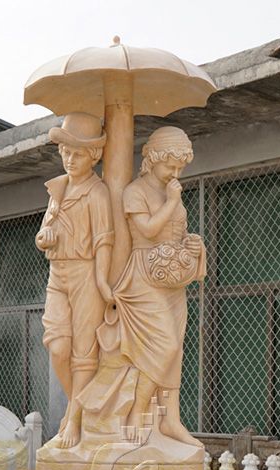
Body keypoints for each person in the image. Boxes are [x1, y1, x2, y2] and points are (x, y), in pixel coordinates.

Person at [115, 126, 206, 447]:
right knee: (163, 345)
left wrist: (194, 247)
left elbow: (175, 234)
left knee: (175, 349)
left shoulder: (172, 191)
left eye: (180, 168)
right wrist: (171, 201)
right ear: (152, 159)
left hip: (171, 278)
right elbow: (150, 230)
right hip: (143, 276)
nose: (176, 173)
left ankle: (170, 419)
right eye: (170, 166)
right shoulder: (135, 192)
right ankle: (138, 411)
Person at [35, 112, 114, 449]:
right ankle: (78, 408)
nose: (70, 159)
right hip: (58, 274)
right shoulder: (58, 190)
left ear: (94, 155)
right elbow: (41, 235)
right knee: (57, 346)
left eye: (78, 153)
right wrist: (46, 237)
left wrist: (101, 279)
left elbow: (104, 240)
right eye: (66, 152)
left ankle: (76, 419)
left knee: (84, 353)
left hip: (84, 273)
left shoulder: (97, 193)